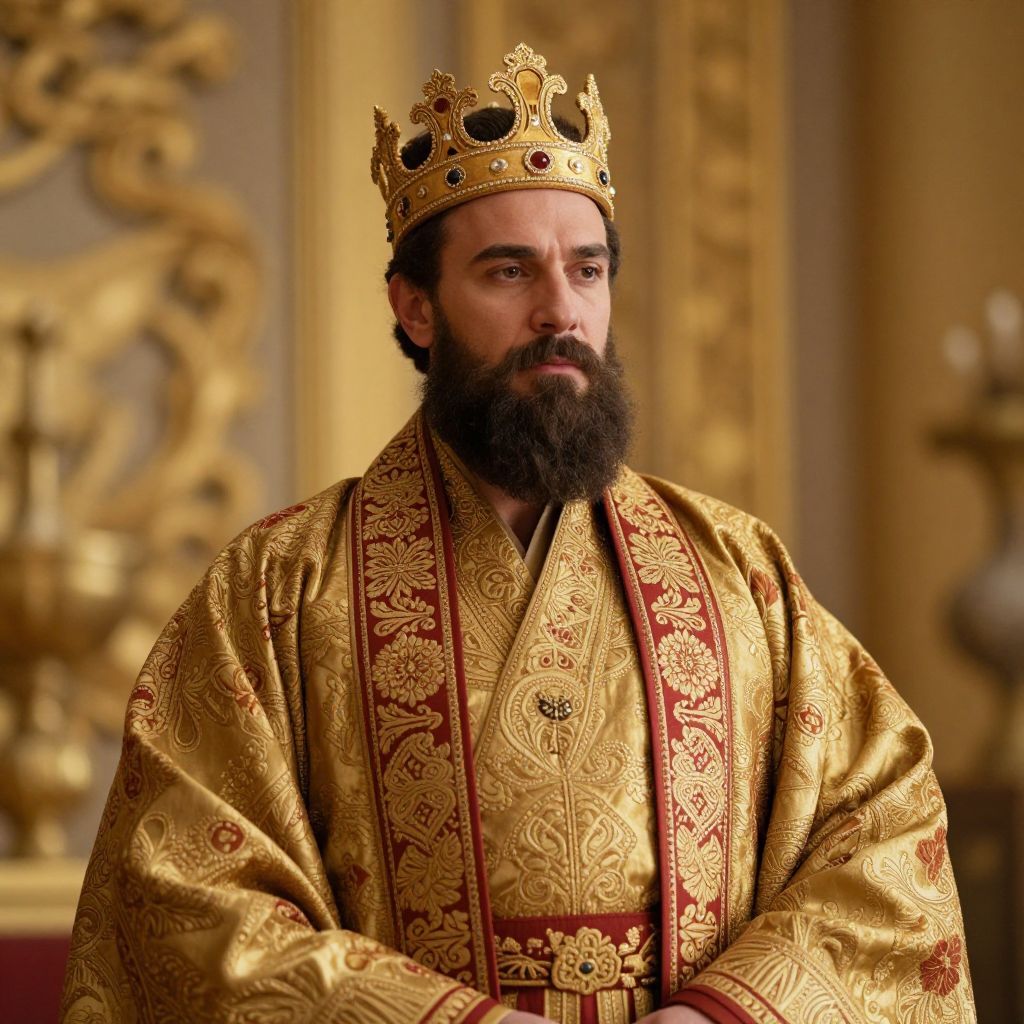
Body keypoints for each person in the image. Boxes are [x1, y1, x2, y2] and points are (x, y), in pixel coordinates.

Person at [62, 43, 975, 1024]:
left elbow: (884, 832)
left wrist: (725, 1013)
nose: (559, 311)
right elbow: (186, 897)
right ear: (414, 307)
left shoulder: (738, 572)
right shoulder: (279, 588)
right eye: (509, 271)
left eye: (586, 271)